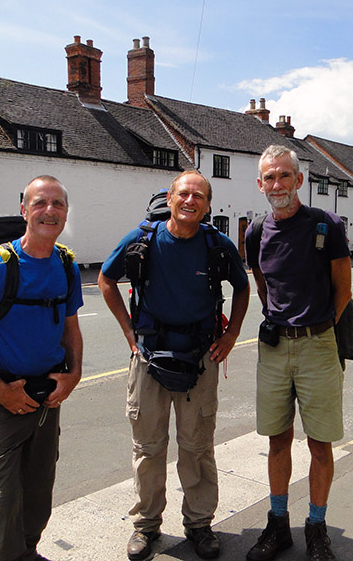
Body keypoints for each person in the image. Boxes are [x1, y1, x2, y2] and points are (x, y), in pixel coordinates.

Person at [98, 170, 250, 560]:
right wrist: (129, 333)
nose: (190, 201)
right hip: (148, 357)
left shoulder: (217, 244)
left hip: (199, 358)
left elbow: (243, 286)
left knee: (197, 448)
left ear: (208, 204)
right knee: (148, 449)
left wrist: (231, 335)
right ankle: (146, 526)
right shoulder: (143, 239)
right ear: (171, 196)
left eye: (199, 196)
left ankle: (199, 525)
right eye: (184, 193)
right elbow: (105, 279)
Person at [0, 175, 84, 561]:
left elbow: (70, 328)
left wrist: (74, 375)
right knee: (1, 497)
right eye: (40, 203)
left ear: (65, 213)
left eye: (58, 204)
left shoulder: (66, 264)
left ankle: (27, 553)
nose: (50, 211)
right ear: (24, 210)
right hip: (2, 399)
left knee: (38, 490)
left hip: (47, 398)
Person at [244, 145, 351, 561]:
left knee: (321, 444)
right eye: (269, 178)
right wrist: (283, 321)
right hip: (274, 348)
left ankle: (317, 527)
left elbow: (343, 290)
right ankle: (277, 526)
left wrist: (316, 327)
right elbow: (262, 285)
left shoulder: (327, 225)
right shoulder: (255, 232)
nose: (277, 185)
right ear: (260, 184)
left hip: (318, 345)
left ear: (299, 179)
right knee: (277, 440)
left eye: (284, 176)